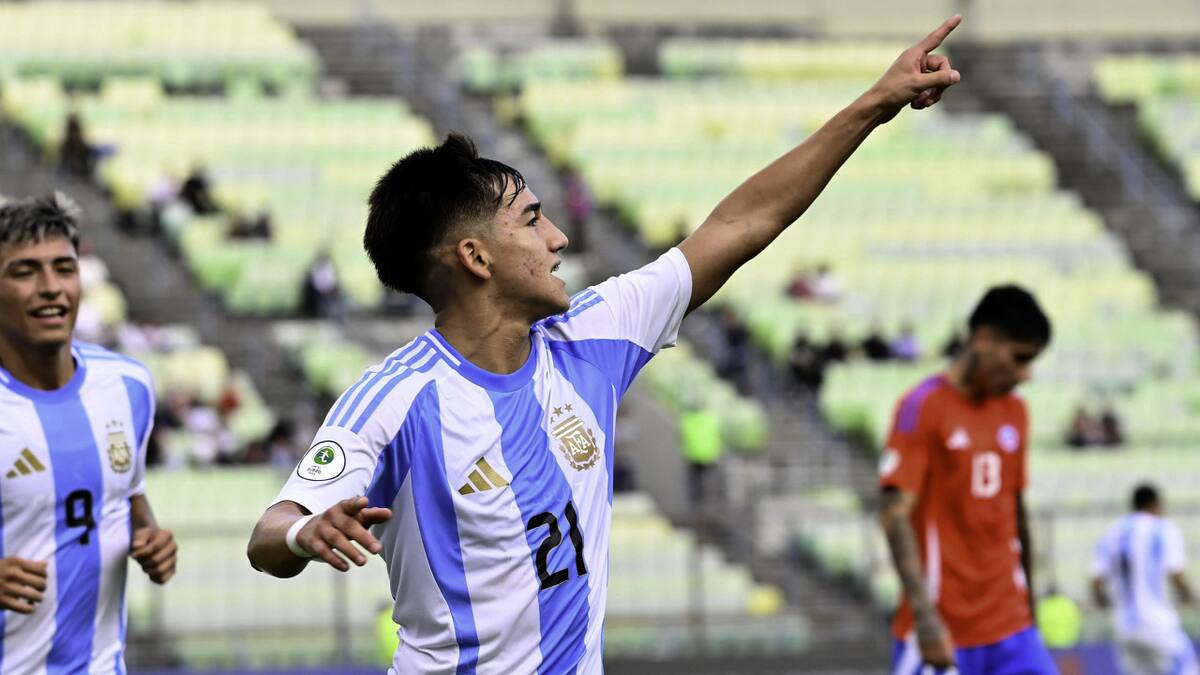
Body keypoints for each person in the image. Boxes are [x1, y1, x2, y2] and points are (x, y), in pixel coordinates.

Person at [247, 17, 964, 673]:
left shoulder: (592, 335)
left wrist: (876, 103)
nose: (558, 237)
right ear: (475, 256)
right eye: (532, 219)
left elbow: (742, 225)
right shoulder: (397, 397)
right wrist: (305, 532)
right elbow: (269, 532)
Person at [0, 193, 176, 672]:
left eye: (64, 268)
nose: (50, 287)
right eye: (25, 272)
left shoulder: (128, 385)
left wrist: (151, 537)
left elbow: (128, 492)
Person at [878, 285, 1058, 674]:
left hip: (1011, 628)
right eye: (1019, 358)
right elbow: (895, 514)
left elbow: (1015, 510)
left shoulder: (1015, 411)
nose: (1025, 374)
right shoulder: (922, 406)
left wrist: (1029, 610)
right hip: (942, 632)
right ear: (984, 339)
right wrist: (925, 618)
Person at [1091, 484, 1197, 675]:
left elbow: (1096, 581)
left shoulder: (1113, 532)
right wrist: (1190, 597)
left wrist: (1104, 602)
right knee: (1187, 668)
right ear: (1155, 504)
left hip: (1124, 626)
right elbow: (1176, 574)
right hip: (1156, 622)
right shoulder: (1162, 528)